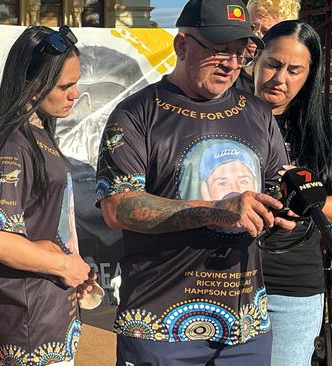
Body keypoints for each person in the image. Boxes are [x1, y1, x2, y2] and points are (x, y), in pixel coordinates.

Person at [95, 0, 296, 364]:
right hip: (160, 327)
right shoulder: (136, 113)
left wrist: (284, 213)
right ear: (181, 45)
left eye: (241, 52)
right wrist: (216, 210)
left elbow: (273, 190)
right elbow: (117, 206)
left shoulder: (258, 113)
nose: (232, 64)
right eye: (219, 50)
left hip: (245, 329)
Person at [0, 25, 93, 366]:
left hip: (49, 312)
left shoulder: (39, 133)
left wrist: (72, 270)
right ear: (33, 84)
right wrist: (63, 265)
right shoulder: (13, 144)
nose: (74, 94)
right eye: (65, 86)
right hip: (28, 322)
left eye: (75, 83)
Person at [254, 20, 332, 366]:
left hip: (292, 287)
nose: (280, 79)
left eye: (294, 70)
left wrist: (303, 200)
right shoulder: (221, 118)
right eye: (273, 64)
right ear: (256, 58)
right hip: (220, 278)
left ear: (309, 76)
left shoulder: (324, 133)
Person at [234, 0, 301, 94]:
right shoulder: (228, 68)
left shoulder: (285, 84)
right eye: (251, 27)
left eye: (265, 32)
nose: (254, 36)